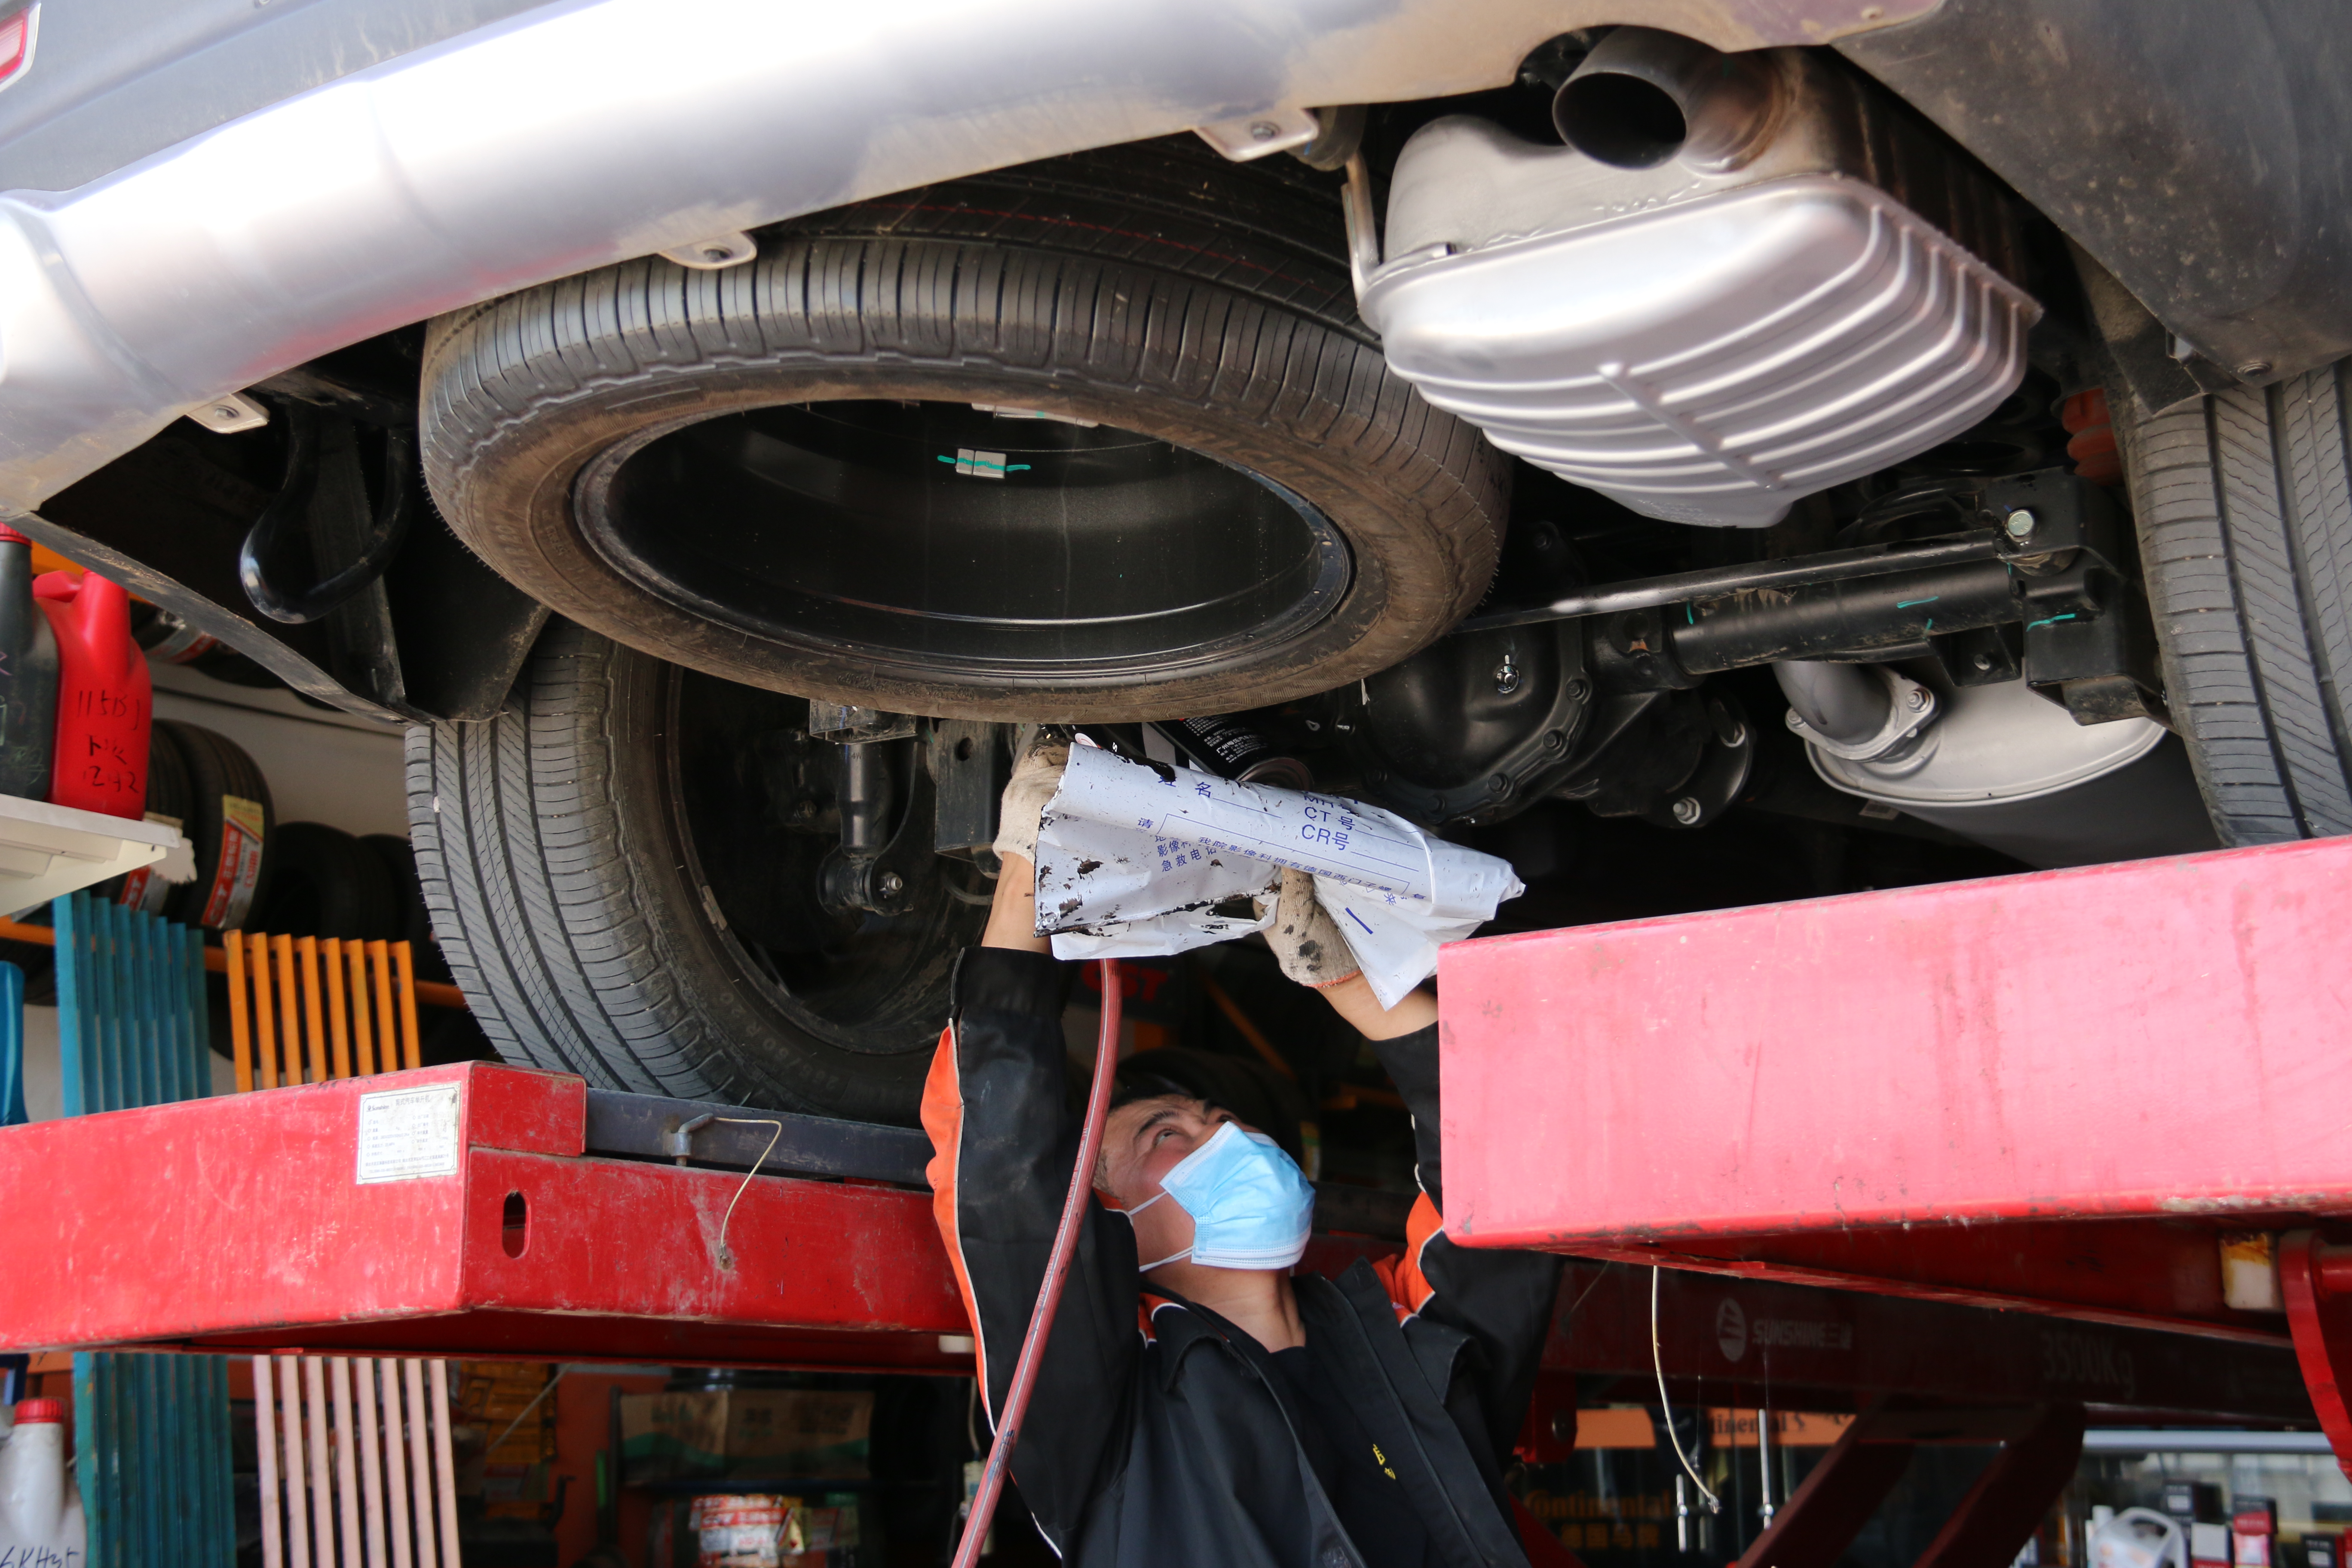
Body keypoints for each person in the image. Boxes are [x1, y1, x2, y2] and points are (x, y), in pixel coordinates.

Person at [921, 740, 1565, 1568]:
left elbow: (1505, 1183)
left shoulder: (1397, 1356)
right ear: (1117, 1229)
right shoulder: (1107, 1423)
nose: (1224, 1136)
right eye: (1166, 1135)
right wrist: (1025, 866)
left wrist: (1344, 978)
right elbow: (1008, 1185)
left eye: (1216, 1114)